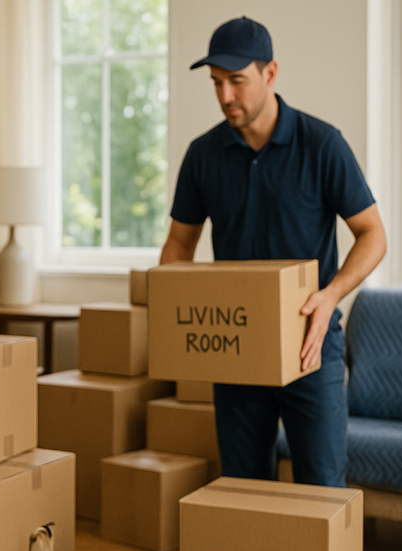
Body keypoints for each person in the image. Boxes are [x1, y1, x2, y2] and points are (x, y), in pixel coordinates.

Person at [161, 17, 387, 488]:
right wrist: (179, 311)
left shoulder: (321, 144)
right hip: (237, 347)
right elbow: (179, 247)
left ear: (270, 74)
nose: (225, 96)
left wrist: (331, 296)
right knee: (244, 488)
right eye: (216, 83)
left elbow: (372, 234)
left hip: (311, 346)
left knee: (323, 490)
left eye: (237, 81)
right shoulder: (202, 155)